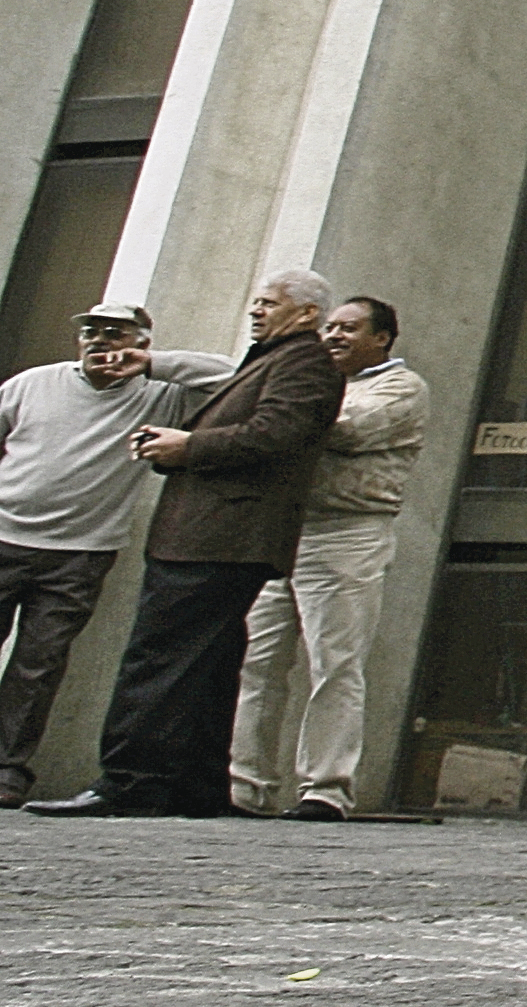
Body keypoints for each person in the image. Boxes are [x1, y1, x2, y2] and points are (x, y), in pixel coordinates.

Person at [28, 270, 344, 818]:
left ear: (307, 313)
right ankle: (197, 788)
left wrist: (188, 446)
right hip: (216, 535)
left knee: (158, 658)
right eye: (256, 302)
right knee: (211, 663)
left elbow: (278, 434)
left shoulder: (304, 362)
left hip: (218, 536)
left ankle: (128, 782)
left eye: (268, 303)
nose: (256, 311)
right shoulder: (278, 358)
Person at [0, 305, 234, 807]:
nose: (99, 342)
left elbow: (233, 376)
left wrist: (152, 364)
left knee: (38, 665)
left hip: (81, 553)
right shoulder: (31, 383)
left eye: (116, 334)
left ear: (142, 343)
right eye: (91, 331)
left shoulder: (161, 395)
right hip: (3, 535)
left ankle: (7, 771)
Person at [228, 297, 428, 821]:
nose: (333, 336)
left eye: (349, 328)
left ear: (382, 338)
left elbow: (343, 429)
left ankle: (326, 789)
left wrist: (279, 410)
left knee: (335, 664)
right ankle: (244, 786)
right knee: (256, 663)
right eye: (330, 327)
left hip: (346, 533)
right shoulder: (312, 380)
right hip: (285, 532)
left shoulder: (400, 387)